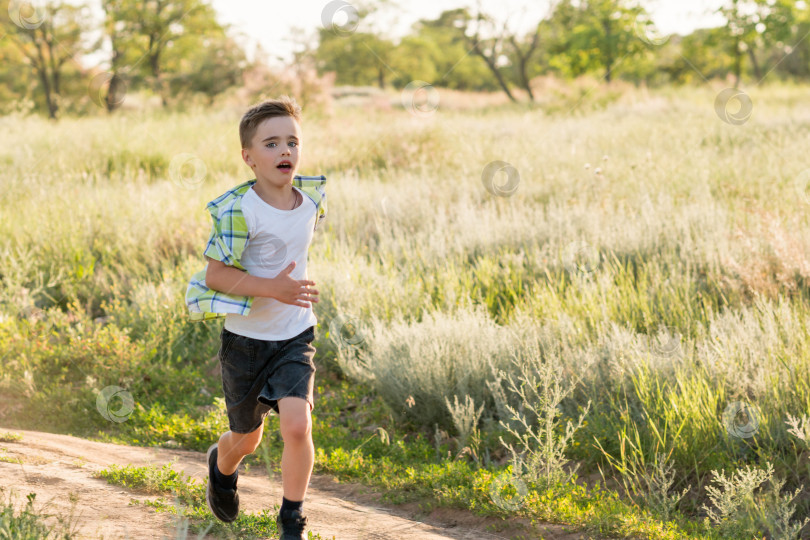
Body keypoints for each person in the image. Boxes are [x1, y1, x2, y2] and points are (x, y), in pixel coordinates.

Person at [184, 95, 327, 540]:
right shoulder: (238, 210)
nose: (284, 151)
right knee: (246, 440)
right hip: (245, 342)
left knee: (297, 425)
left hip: (294, 334)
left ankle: (292, 519)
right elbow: (215, 274)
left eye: (292, 141)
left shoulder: (311, 200)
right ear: (248, 157)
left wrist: (290, 295)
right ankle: (220, 468)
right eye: (270, 144)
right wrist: (273, 288)